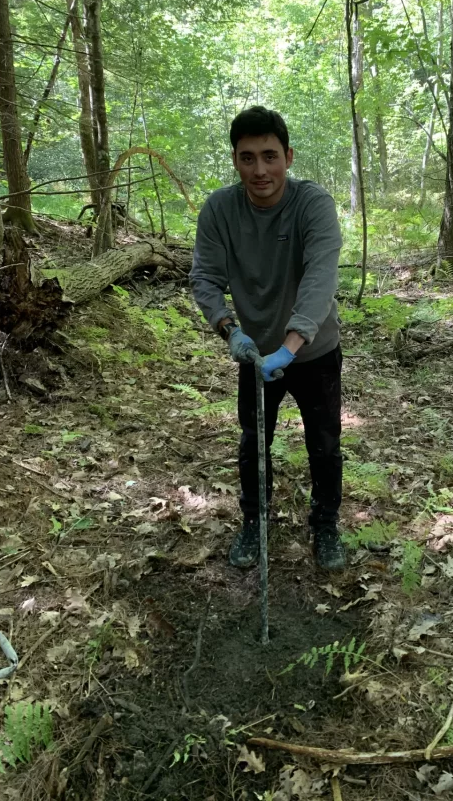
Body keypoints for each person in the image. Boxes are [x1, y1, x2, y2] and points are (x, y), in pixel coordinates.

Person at [190, 106, 346, 571]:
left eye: (270, 156)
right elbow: (204, 277)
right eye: (248, 158)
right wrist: (229, 329)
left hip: (315, 351)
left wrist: (291, 345)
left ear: (289, 157)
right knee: (254, 442)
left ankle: (325, 525)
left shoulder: (312, 204)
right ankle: (255, 524)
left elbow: (321, 277)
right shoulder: (220, 210)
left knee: (324, 443)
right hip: (255, 354)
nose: (261, 170)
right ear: (235, 160)